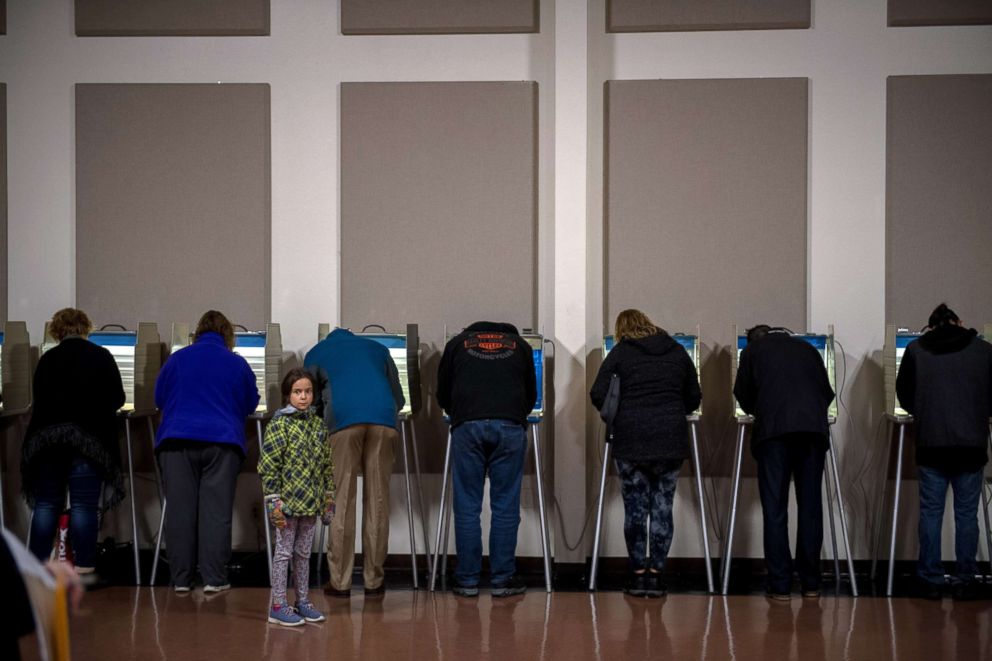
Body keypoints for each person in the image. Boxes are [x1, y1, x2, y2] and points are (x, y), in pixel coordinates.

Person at [589, 309, 701, 597]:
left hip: (631, 440)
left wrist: (621, 414)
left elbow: (598, 393)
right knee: (663, 507)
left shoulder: (621, 353)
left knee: (636, 509)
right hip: (670, 440)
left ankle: (638, 576)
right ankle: (657, 577)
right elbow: (694, 396)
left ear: (622, 329)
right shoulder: (676, 352)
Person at [154, 310, 260, 593]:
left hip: (176, 441)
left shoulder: (176, 360)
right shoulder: (236, 363)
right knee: (216, 513)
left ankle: (180, 580)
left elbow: (158, 398)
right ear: (228, 335)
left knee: (180, 511)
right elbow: (251, 401)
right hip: (221, 443)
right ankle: (214, 579)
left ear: (197, 333)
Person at [896, 303, 992, 601]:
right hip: (971, 445)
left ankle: (930, 578)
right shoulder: (983, 351)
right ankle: (966, 577)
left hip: (931, 444)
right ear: (959, 322)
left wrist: (924, 413)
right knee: (966, 515)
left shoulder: (915, 350)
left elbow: (904, 394)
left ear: (931, 325)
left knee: (930, 512)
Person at [21, 308, 126, 578]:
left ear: (57, 330)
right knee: (83, 505)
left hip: (48, 444)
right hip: (87, 443)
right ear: (85, 328)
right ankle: (84, 565)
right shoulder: (101, 356)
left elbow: (38, 399)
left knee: (45, 504)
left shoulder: (47, 359)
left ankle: (36, 566)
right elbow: (117, 398)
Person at [733, 324, 834, 600]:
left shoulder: (753, 352)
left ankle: (780, 585)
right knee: (810, 506)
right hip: (812, 432)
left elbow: (741, 394)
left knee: (775, 508)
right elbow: (827, 392)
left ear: (752, 341)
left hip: (774, 434)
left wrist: (764, 410)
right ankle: (811, 583)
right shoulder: (807, 348)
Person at [436, 321, 537, 598]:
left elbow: (442, 393)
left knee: (467, 505)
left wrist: (459, 412)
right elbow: (532, 396)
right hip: (510, 426)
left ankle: (467, 580)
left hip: (467, 426)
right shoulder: (523, 347)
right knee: (505, 505)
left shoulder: (456, 344)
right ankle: (503, 579)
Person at [304, 327, 404, 598]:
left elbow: (309, 404)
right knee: (378, 500)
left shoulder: (316, 353)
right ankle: (374, 580)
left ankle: (340, 581)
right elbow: (400, 398)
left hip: (343, 421)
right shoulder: (378, 349)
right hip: (384, 420)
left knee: (342, 498)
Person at [259, 368, 335, 626]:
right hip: (287, 504)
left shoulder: (318, 425)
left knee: (303, 554)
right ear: (287, 394)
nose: (303, 397)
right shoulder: (279, 424)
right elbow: (268, 465)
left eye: (308, 391)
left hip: (311, 504)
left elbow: (326, 464)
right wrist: (274, 501)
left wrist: (328, 499)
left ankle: (302, 602)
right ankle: (277, 605)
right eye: (297, 392)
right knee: (283, 553)